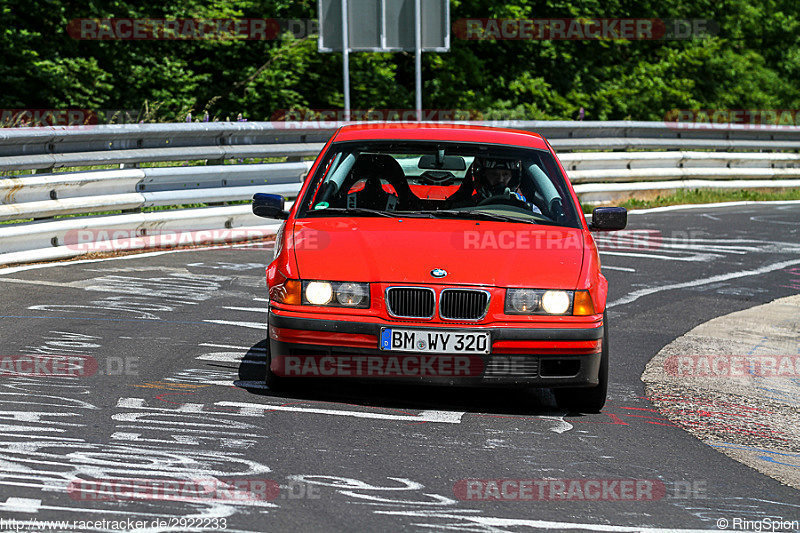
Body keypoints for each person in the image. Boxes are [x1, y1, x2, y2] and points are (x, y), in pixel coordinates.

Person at [447, 157, 542, 214]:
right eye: (494, 174)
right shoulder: (464, 207)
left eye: (505, 175)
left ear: (513, 178)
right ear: (483, 177)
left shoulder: (528, 208)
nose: (500, 180)